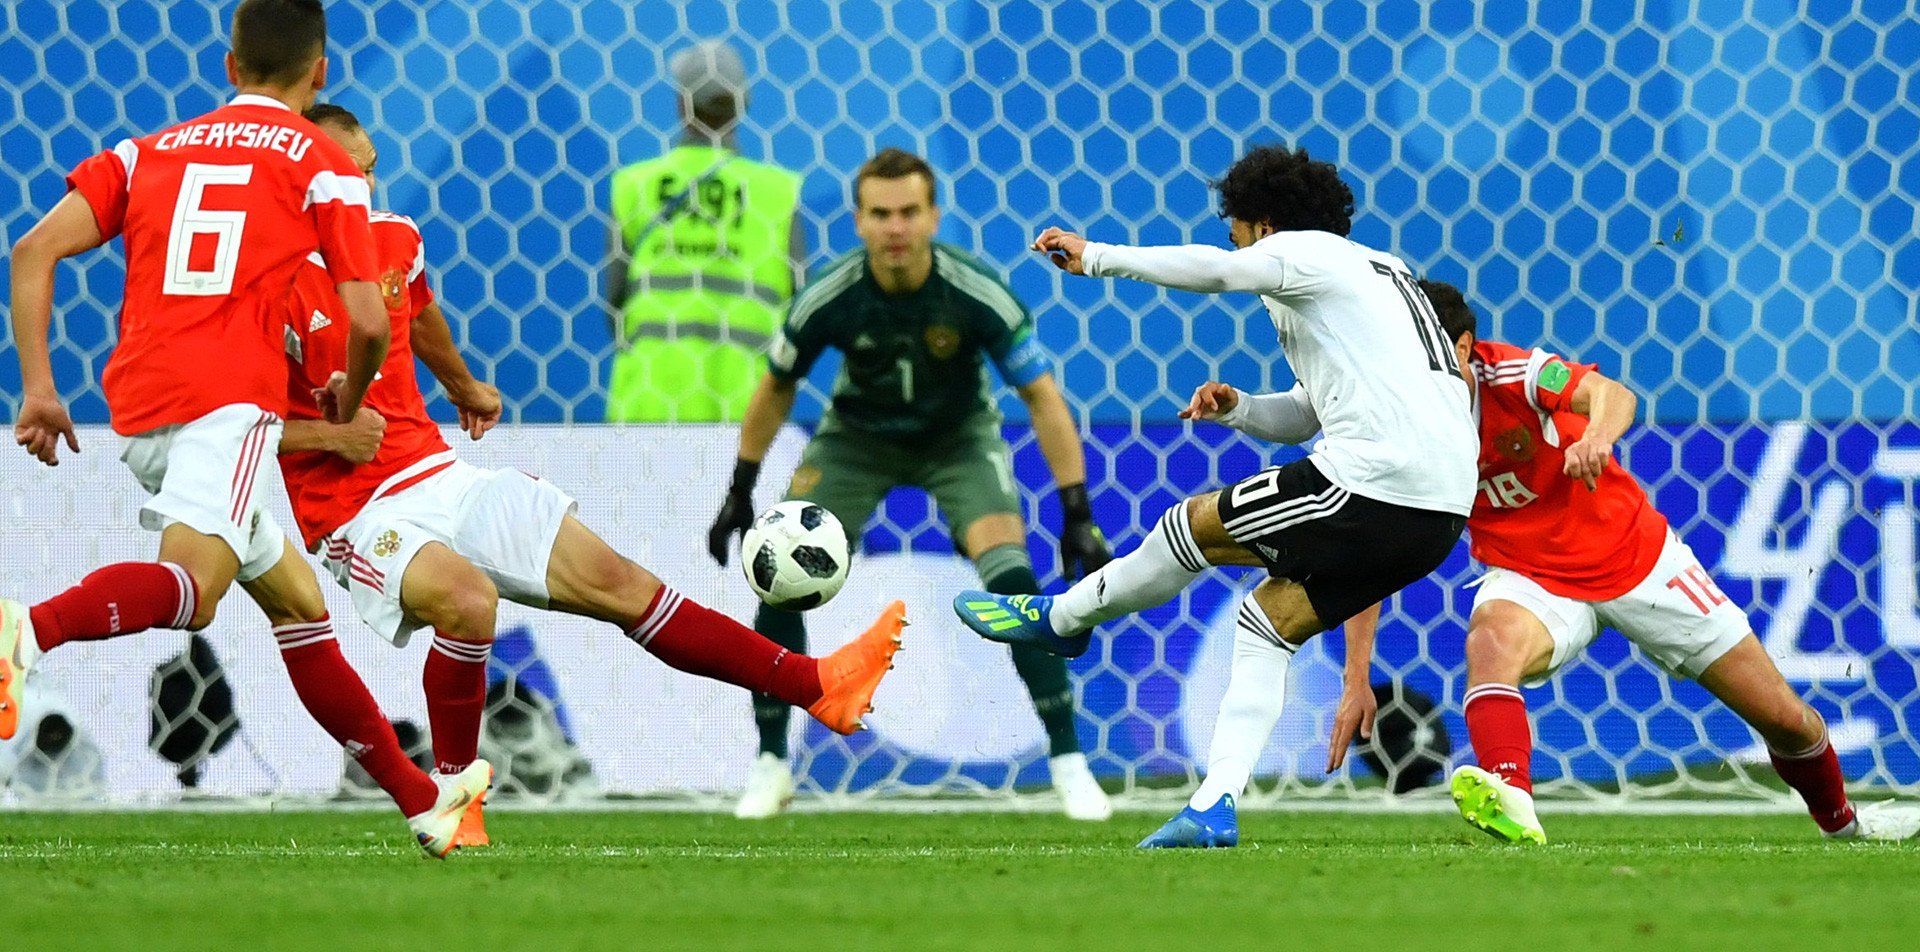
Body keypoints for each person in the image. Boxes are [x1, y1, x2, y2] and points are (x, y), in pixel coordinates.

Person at [274, 105, 907, 845]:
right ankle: (453, 798)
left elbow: (415, 312)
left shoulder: (392, 238)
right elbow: (223, 423)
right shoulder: (265, 282)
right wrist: (329, 434)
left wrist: (463, 386)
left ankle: (818, 685)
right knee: (468, 601)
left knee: (618, 581)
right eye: (349, 174)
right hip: (352, 509)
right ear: (307, 180)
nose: (366, 187)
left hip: (433, 470)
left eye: (372, 169)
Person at [0, 0, 486, 857]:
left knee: (298, 606)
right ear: (320, 71)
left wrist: (39, 388)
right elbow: (371, 321)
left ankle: (424, 803)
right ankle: (24, 632)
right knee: (193, 592)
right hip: (223, 407)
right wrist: (350, 394)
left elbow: (32, 250)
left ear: (230, 65)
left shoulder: (145, 152)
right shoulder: (318, 161)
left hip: (140, 400)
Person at [953, 144, 1477, 847]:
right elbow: (1308, 414)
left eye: (1236, 232)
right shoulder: (1382, 274)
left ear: (1265, 227)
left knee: (1191, 525)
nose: (1236, 248)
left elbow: (1223, 273)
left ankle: (1065, 619)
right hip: (1440, 511)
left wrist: (1099, 256)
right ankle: (1213, 807)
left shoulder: (1305, 254)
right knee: (1268, 621)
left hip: (1379, 482)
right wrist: (1240, 409)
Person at [1312, 280, 1918, 843]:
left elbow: (1612, 394)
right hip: (1531, 577)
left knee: (1786, 720)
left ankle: (1844, 823)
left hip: (1639, 561)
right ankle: (1511, 795)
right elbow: (1377, 551)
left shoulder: (1514, 374)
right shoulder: (1401, 424)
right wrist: (1356, 678)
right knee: (1491, 644)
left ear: (1465, 348)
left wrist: (1596, 437)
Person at [709, 148, 1114, 820]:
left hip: (959, 440)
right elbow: (776, 386)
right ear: (858, 221)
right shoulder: (830, 296)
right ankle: (771, 763)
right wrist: (740, 488)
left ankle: (1069, 763)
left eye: (908, 212)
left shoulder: (975, 292)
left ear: (933, 216)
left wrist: (1077, 510)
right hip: (855, 441)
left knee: (1012, 576)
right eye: (880, 214)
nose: (894, 227)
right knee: (777, 574)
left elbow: (1041, 396)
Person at [605, 39, 805, 422]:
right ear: (743, 105)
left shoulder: (634, 186)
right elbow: (800, 311)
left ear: (681, 104)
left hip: (648, 407)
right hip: (747, 409)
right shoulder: (776, 193)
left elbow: (615, 299)